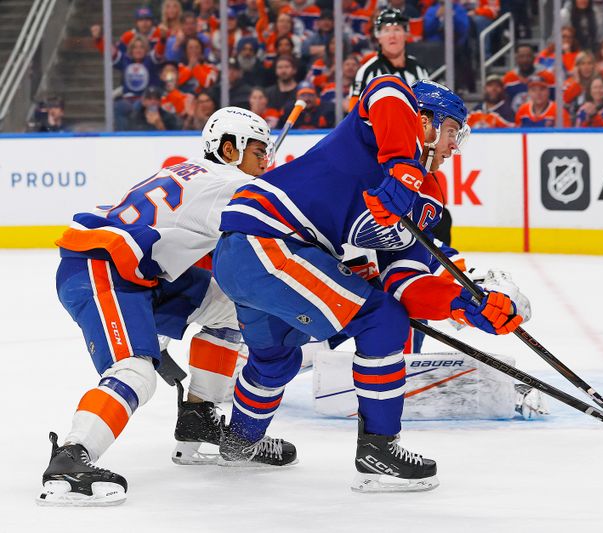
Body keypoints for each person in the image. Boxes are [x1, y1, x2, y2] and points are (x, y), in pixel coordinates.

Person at [212, 77, 521, 492]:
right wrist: (403, 166)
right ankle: (379, 448)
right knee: (382, 320)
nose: (454, 147)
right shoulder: (374, 131)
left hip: (255, 261)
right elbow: (387, 87)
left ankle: (239, 442)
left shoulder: (427, 198)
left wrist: (462, 304)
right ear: (424, 122)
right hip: (266, 240)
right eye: (451, 132)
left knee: (276, 358)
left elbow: (405, 282)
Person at [38, 107, 275, 506]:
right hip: (102, 268)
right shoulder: (230, 184)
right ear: (229, 149)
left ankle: (198, 420)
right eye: (257, 152)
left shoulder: (191, 170)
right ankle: (71, 458)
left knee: (230, 307)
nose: (264, 162)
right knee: (136, 369)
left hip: (139, 271)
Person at [349, 8, 429, 109]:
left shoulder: (419, 69)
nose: (392, 36)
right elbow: (353, 112)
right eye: (386, 30)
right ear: (378, 37)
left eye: (397, 29)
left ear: (406, 34)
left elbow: (428, 109)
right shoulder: (366, 71)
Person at [265, 55, 299, 124]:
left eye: (287, 67)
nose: (283, 70)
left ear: (294, 70)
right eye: (280, 67)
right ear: (276, 70)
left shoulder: (301, 92)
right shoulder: (268, 93)